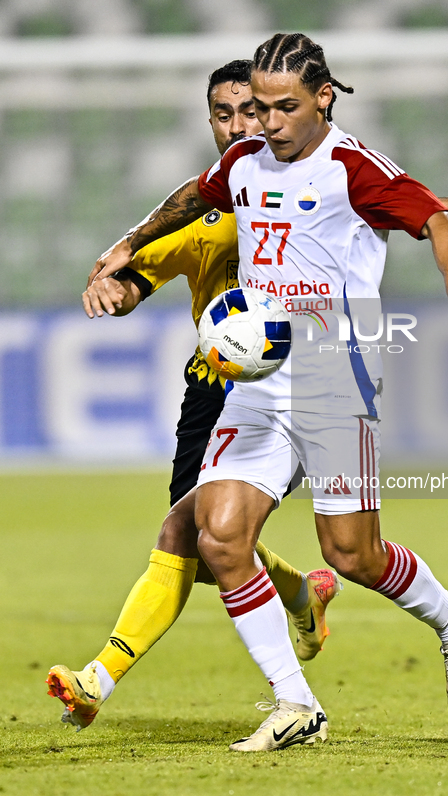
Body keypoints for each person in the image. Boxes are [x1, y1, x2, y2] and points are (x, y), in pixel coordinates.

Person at [58, 40, 448, 749]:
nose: (269, 121)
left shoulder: (352, 169)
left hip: (334, 376)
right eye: (258, 107)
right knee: (218, 536)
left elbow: (435, 219)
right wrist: (125, 244)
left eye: (285, 106)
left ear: (323, 97)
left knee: (352, 556)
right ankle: (294, 703)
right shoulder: (243, 163)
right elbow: (195, 194)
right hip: (256, 378)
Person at [45, 60, 343, 733]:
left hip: (295, 392)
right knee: (210, 546)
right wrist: (111, 290)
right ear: (211, 120)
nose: (239, 125)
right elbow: (135, 282)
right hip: (213, 393)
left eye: (250, 110)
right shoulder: (203, 214)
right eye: (223, 113)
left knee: (192, 535)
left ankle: (99, 677)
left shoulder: (313, 189)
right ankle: (301, 590)